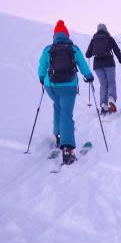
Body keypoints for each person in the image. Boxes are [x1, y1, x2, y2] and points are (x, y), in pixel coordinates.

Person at [38, 20, 94, 165]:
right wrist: (88, 76)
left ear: (55, 35)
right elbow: (82, 64)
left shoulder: (48, 49)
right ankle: (67, 148)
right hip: (68, 86)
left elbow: (41, 67)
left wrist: (42, 79)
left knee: (58, 107)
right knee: (66, 114)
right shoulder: (73, 48)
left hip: (52, 87)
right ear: (67, 35)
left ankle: (58, 136)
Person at [85, 23, 121, 114]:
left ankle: (103, 105)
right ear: (106, 29)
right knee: (111, 82)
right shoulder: (109, 38)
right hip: (109, 63)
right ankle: (111, 99)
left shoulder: (94, 39)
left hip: (97, 66)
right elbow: (116, 50)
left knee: (103, 85)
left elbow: (88, 54)